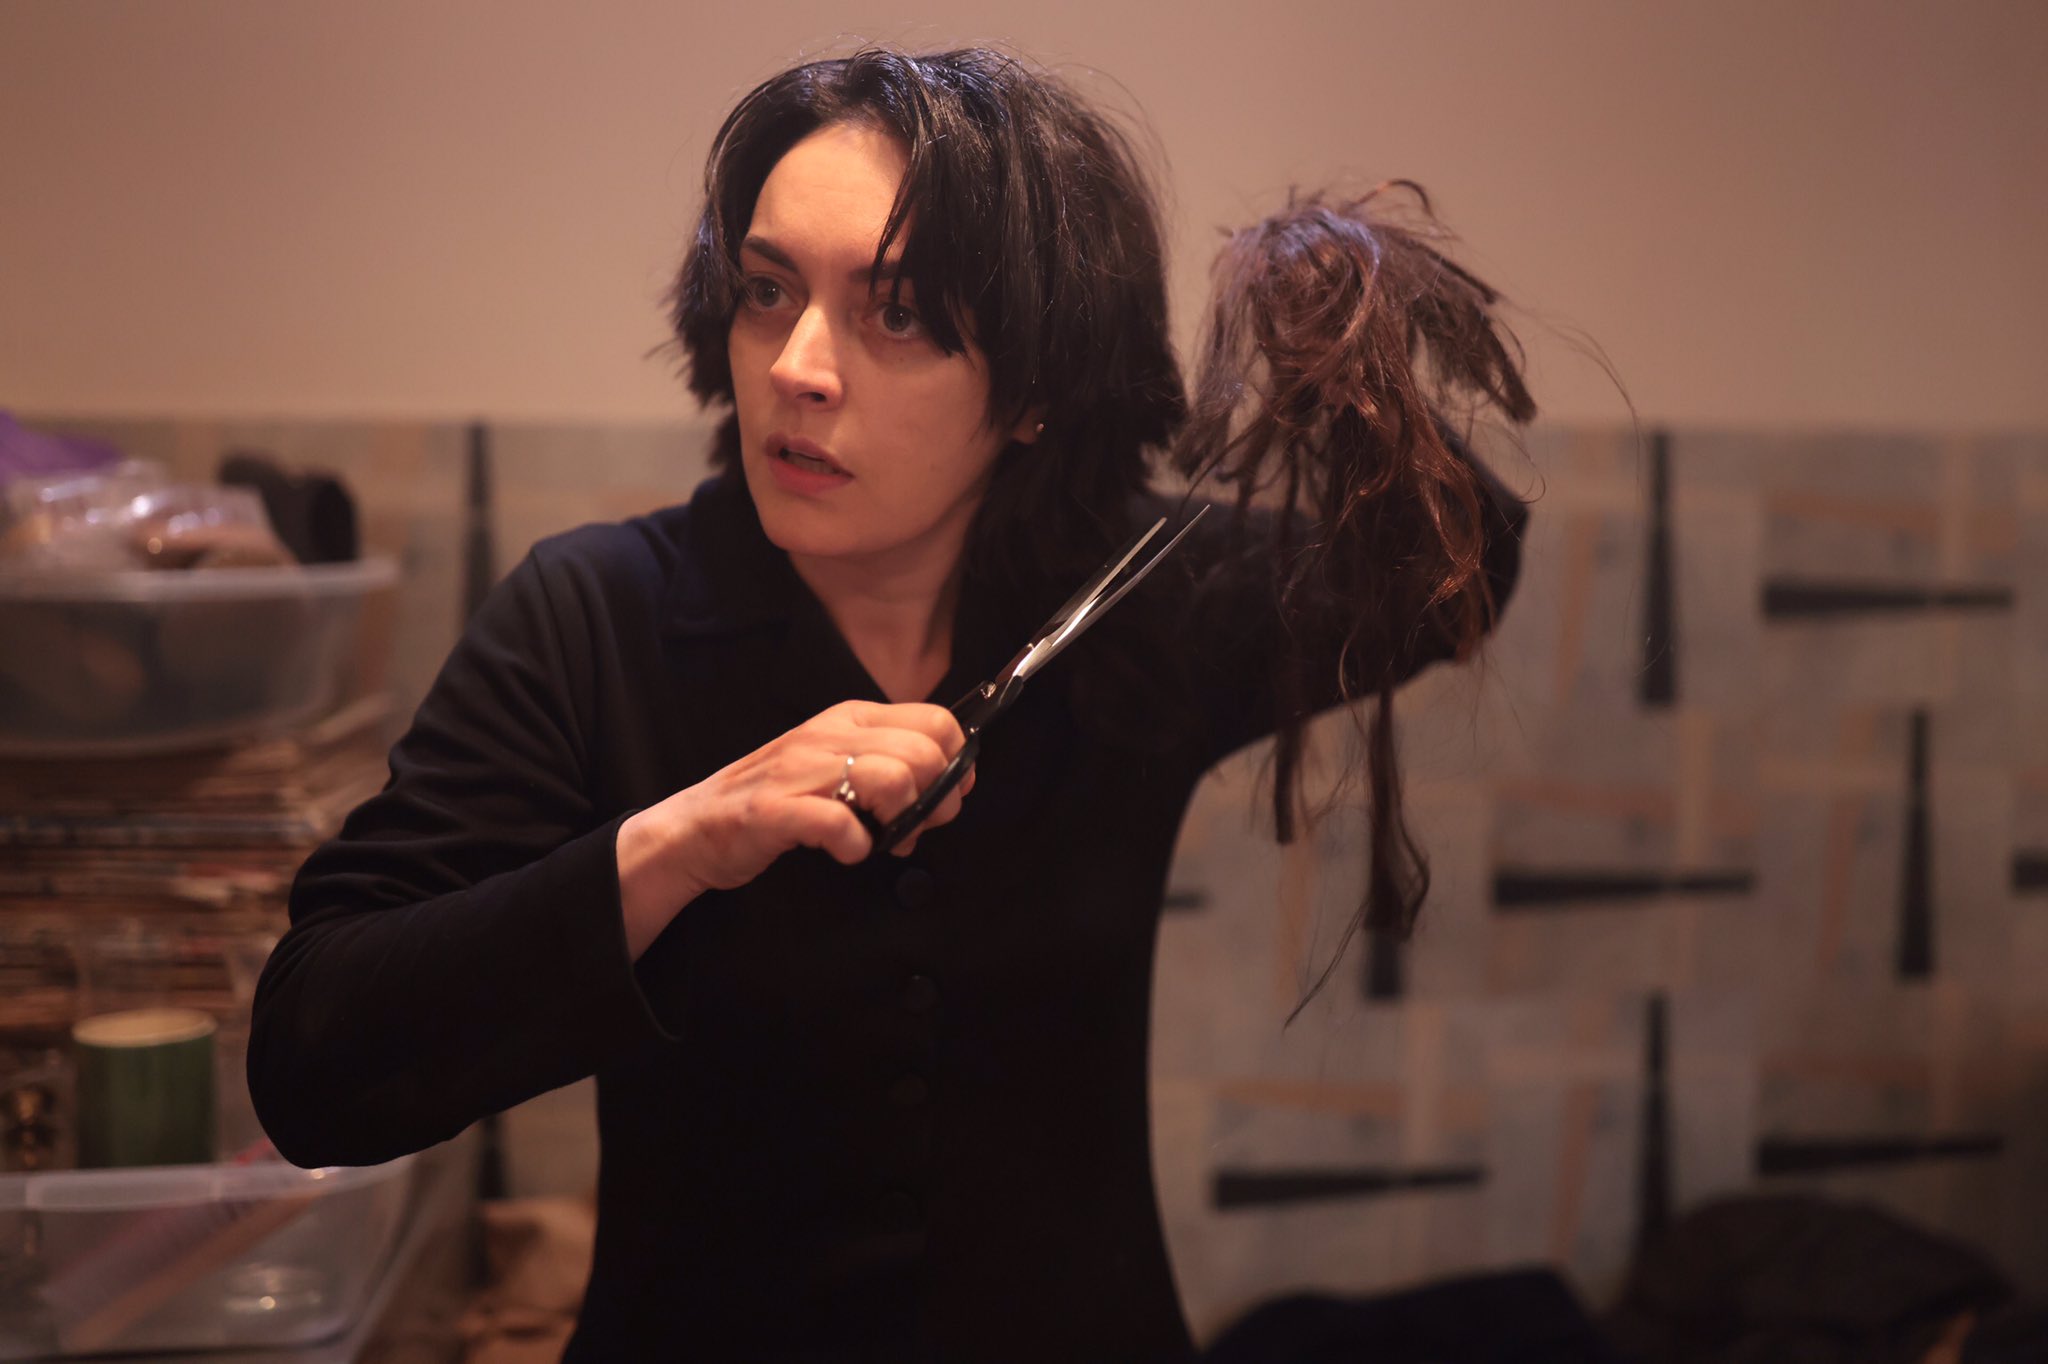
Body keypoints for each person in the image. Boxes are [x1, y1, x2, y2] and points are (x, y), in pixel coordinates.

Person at [248, 45, 1535, 1362]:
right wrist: (681, 842)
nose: (798, 366)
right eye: (766, 292)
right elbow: (310, 1063)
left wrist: (1343, 349)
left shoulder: (1138, 603)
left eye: (899, 313)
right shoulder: (594, 619)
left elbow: (1455, 582)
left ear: (1037, 391)